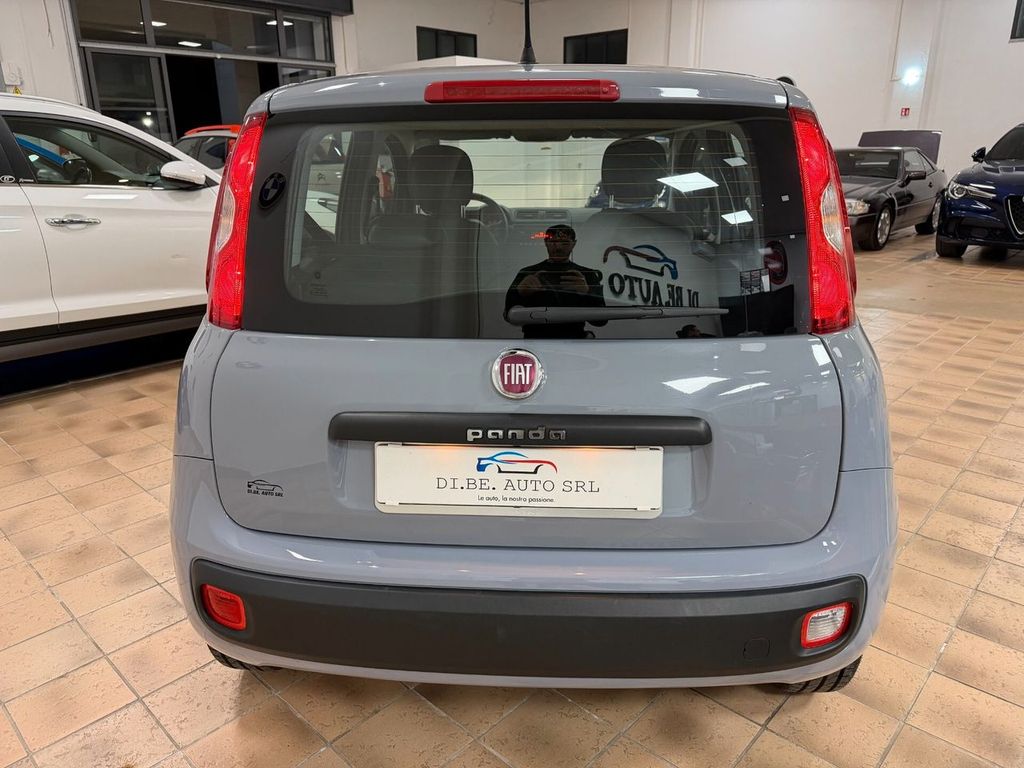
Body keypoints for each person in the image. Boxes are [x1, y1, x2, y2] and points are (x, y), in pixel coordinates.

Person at [504, 224, 606, 339]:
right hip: (542, 339)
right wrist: (519, 292)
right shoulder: (527, 273)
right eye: (553, 242)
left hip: (566, 339)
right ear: (546, 243)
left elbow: (601, 321)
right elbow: (509, 315)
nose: (558, 248)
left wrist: (587, 293)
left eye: (565, 243)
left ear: (574, 243)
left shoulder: (587, 275)